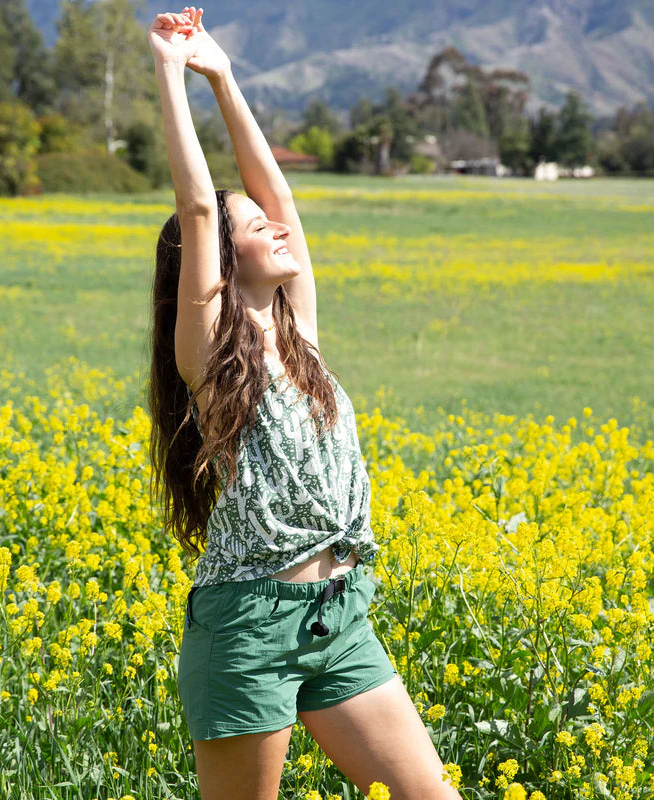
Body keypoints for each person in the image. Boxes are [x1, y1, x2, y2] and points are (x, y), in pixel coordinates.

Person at [146, 9, 463, 800]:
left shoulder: (302, 338)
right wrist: (168, 75)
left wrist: (221, 75)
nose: (279, 228)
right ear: (223, 256)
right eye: (254, 228)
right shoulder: (211, 359)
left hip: (338, 615)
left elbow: (279, 194)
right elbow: (195, 211)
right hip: (250, 627)